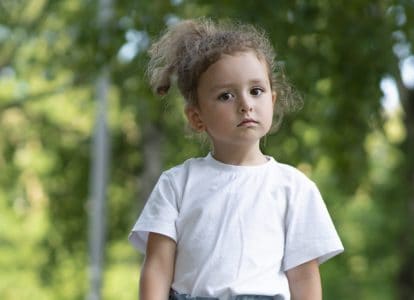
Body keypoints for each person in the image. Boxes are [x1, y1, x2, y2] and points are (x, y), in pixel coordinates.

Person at [129, 18, 344, 300]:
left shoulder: (294, 188)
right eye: (226, 95)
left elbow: (304, 276)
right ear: (197, 117)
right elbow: (158, 266)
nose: (245, 104)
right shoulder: (177, 184)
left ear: (272, 100)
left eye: (256, 91)